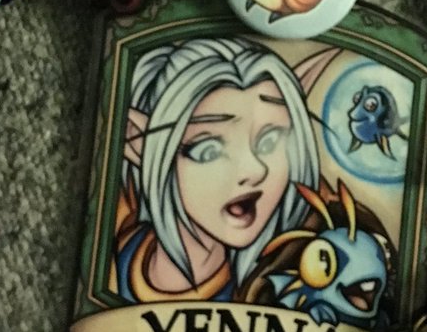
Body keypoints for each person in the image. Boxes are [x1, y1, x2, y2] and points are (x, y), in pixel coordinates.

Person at [113, 36, 338, 302]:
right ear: (138, 141)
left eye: (269, 142)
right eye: (208, 151)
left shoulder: (291, 281)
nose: (254, 170)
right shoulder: (114, 248)